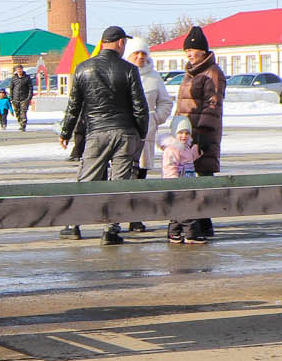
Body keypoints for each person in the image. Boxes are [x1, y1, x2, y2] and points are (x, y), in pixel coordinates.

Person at [57, 24, 149, 245]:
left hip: (96, 132)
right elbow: (140, 107)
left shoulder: (82, 68)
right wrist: (141, 133)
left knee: (87, 180)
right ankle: (111, 230)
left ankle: (73, 224)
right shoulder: (129, 69)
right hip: (124, 132)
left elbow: (74, 106)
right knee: (119, 183)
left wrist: (66, 132)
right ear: (120, 43)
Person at [171, 25, 226, 244]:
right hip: (186, 135)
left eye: (192, 50)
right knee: (188, 177)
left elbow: (212, 104)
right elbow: (182, 105)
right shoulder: (190, 73)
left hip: (202, 135)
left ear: (203, 50)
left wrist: (202, 133)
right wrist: (177, 128)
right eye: (186, 50)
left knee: (203, 177)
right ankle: (198, 222)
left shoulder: (212, 73)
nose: (189, 54)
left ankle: (204, 223)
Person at [124, 36, 172, 233]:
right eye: (136, 53)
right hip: (125, 131)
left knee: (140, 175)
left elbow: (166, 101)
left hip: (146, 132)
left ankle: (136, 218)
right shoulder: (122, 73)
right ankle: (119, 216)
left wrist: (155, 119)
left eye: (143, 53)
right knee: (124, 174)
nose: (140, 57)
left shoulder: (154, 76)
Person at [157, 114, 201, 179]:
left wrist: (198, 150)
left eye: (187, 133)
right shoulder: (171, 150)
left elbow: (189, 157)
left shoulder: (186, 147)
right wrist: (174, 180)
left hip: (189, 180)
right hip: (177, 181)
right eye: (180, 133)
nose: (184, 136)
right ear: (174, 133)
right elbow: (170, 167)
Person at [8, 60, 35, 131]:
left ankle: (23, 125)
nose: (19, 71)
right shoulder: (14, 78)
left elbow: (30, 88)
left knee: (23, 112)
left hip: (24, 98)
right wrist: (11, 97)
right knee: (17, 112)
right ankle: (20, 122)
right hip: (15, 98)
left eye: (20, 69)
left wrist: (29, 97)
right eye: (18, 69)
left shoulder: (27, 78)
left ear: (22, 70)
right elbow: (11, 88)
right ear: (16, 70)